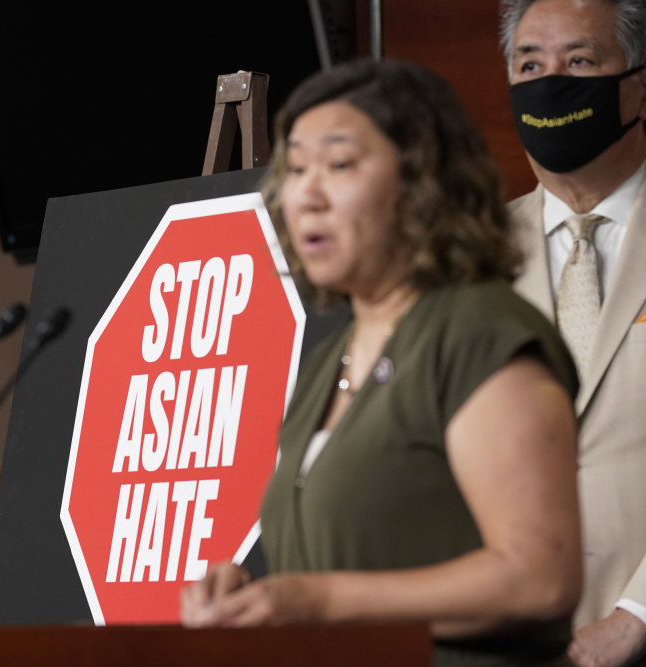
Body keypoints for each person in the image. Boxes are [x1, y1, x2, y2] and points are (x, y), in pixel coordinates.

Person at [179, 60, 583, 666]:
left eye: (339, 165)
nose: (307, 195)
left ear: (423, 182)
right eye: (295, 169)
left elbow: (539, 577)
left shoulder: (476, 333)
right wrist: (255, 602)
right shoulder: (324, 365)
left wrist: (319, 601)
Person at [500, 0, 646, 664]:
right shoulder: (463, 259)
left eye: (581, 61)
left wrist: (636, 616)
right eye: (530, 64)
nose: (551, 82)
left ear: (639, 79)